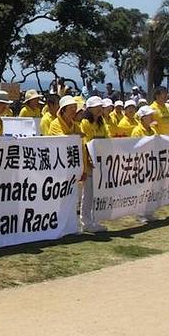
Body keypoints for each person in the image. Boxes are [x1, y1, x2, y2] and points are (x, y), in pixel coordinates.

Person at [78, 96, 108, 233]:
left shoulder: (102, 123)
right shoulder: (84, 123)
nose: (99, 109)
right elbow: (86, 143)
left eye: (100, 106)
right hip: (89, 163)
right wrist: (90, 159)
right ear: (89, 108)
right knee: (88, 193)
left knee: (96, 193)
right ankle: (86, 221)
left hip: (100, 163)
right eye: (96, 107)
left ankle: (93, 220)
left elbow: (107, 139)